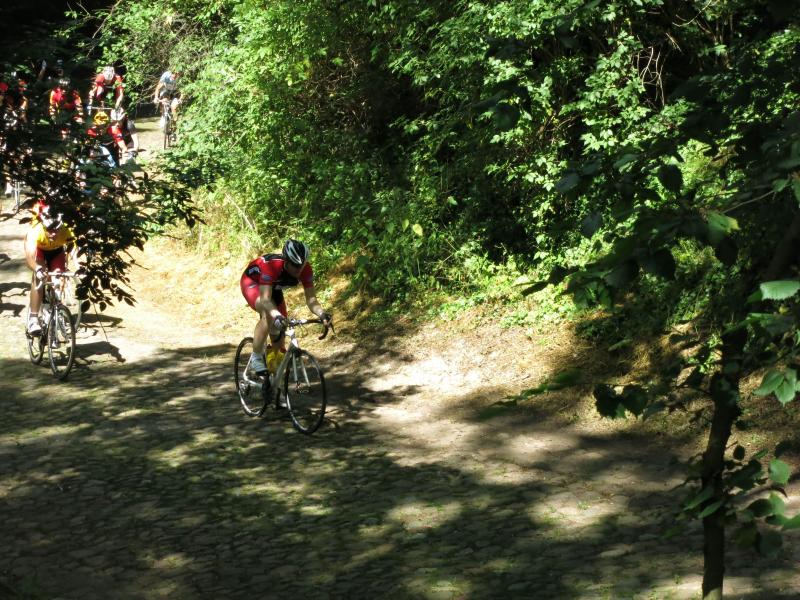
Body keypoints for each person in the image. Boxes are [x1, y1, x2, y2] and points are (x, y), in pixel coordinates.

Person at [240, 239, 332, 374]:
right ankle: (257, 357)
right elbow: (265, 299)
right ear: (286, 261)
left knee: (280, 335)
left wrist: (322, 314)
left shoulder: (306, 269)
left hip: (274, 288)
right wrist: (276, 315)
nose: (298, 269)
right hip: (252, 283)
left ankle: (272, 378)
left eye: (301, 265)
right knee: (269, 315)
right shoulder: (272, 266)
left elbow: (311, 299)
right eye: (295, 265)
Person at [24, 201, 76, 335]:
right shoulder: (35, 231)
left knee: (58, 279)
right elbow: (29, 257)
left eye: (57, 230)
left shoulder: (66, 230)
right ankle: (33, 318)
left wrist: (80, 268)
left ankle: (56, 311)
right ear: (43, 226)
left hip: (57, 252)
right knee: (39, 278)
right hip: (39, 252)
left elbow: (75, 251)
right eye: (49, 230)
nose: (53, 234)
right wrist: (37, 269)